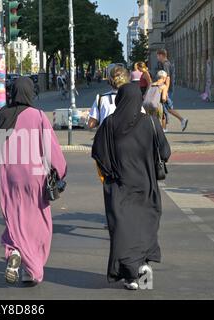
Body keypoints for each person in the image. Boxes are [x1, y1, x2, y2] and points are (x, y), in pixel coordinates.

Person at [0, 77, 67, 285]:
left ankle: (14, 252)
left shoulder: (3, 114)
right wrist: (60, 171)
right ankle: (33, 270)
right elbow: (52, 150)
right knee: (39, 223)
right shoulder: (38, 116)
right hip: (35, 178)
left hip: (9, 177)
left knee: (14, 218)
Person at [92, 83, 171, 290]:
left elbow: (98, 153)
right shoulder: (152, 123)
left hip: (119, 187)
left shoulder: (109, 124)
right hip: (146, 186)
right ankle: (143, 266)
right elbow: (165, 153)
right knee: (145, 227)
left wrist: (111, 172)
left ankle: (131, 276)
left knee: (123, 230)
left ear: (120, 100)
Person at [156, 49, 188, 132]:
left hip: (166, 89)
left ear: (161, 55)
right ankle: (181, 120)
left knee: (165, 108)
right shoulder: (166, 63)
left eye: (157, 55)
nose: (157, 57)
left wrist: (164, 91)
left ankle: (165, 127)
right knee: (167, 108)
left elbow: (167, 78)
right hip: (167, 89)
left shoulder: (166, 64)